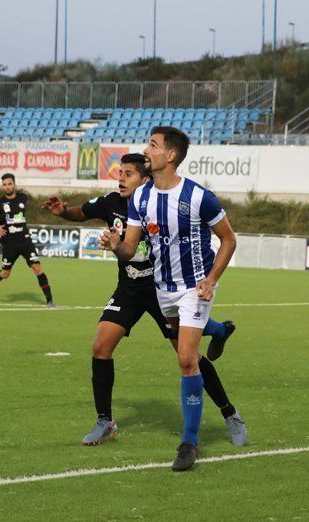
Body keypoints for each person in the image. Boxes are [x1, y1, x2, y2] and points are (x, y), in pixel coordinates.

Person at [43, 153, 243, 447]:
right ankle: (104, 420)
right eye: (120, 173)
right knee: (100, 346)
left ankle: (229, 413)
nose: (120, 178)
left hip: (162, 288)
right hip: (129, 289)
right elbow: (81, 212)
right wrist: (62, 212)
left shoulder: (160, 204)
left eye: (128, 174)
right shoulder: (111, 202)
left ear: (145, 179)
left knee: (188, 357)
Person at [100, 126, 238, 471]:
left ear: (170, 155)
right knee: (188, 345)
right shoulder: (141, 198)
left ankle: (189, 443)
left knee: (186, 358)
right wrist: (117, 246)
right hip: (163, 289)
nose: (146, 150)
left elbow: (229, 240)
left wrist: (211, 280)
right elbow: (131, 249)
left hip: (196, 287)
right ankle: (218, 331)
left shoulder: (198, 197)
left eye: (152, 145)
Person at [0, 173, 55, 307]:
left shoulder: (23, 197)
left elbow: (36, 205)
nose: (7, 187)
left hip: (25, 240)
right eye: (4, 185)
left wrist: (46, 205)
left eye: (9, 184)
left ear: (14, 184)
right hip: (9, 242)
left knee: (37, 267)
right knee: (5, 273)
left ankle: (50, 301)